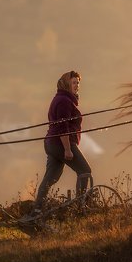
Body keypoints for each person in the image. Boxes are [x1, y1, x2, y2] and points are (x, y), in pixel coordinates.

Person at [29, 70, 92, 215]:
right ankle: (80, 207)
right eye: (74, 82)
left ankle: (36, 210)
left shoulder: (62, 99)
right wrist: (68, 149)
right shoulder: (64, 101)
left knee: (51, 177)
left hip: (52, 144)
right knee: (84, 170)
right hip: (61, 144)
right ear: (66, 83)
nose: (77, 85)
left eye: (78, 83)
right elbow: (63, 127)